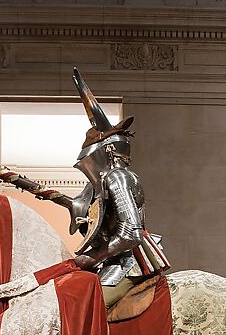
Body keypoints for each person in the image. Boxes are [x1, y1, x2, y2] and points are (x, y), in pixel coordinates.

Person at [68, 68, 169, 308]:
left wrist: (93, 257)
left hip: (127, 264)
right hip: (111, 262)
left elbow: (130, 232)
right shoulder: (100, 185)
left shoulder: (118, 178)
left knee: (87, 309)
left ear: (108, 150)